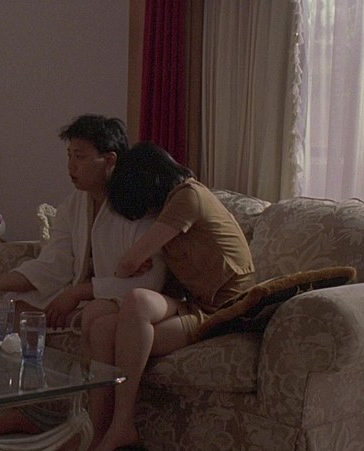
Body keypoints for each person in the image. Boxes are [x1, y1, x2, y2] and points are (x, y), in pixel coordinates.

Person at [0, 114, 168, 435]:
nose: (71, 166)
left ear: (110, 160)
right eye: (69, 156)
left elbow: (150, 278)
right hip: (85, 293)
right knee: (16, 309)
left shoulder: (135, 203)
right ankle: (28, 411)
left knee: (86, 319)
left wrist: (79, 292)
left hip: (120, 299)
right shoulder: (75, 205)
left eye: (80, 157)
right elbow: (53, 265)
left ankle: (90, 427)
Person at [86, 142, 256, 451]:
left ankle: (123, 424)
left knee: (137, 301)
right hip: (196, 304)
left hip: (226, 310)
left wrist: (134, 260)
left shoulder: (187, 195)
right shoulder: (173, 207)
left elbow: (127, 264)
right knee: (102, 328)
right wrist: (138, 261)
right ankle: (95, 434)